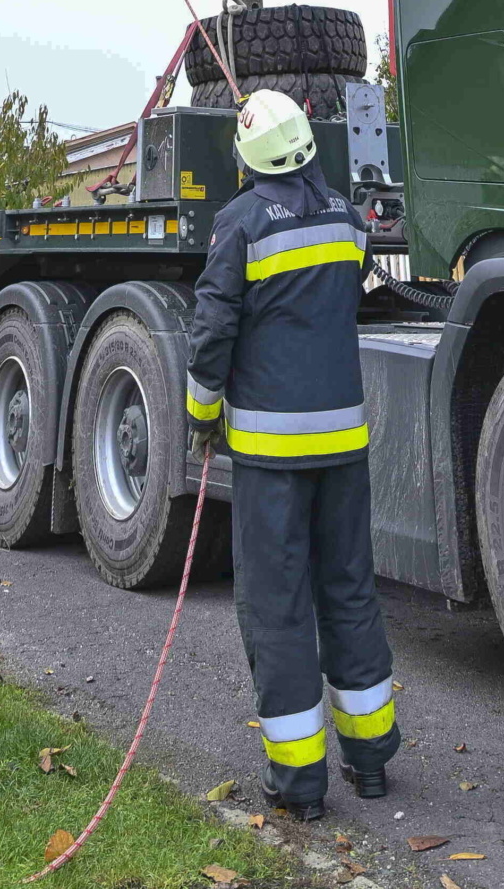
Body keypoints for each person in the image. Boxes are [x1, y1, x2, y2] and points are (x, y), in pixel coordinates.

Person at [184, 89, 398, 823]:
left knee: (277, 609)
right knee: (348, 590)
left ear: (247, 159)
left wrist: (200, 414)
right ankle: (370, 759)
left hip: (272, 455)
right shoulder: (347, 220)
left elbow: (213, 330)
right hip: (343, 448)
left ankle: (299, 780)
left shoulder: (239, 223)